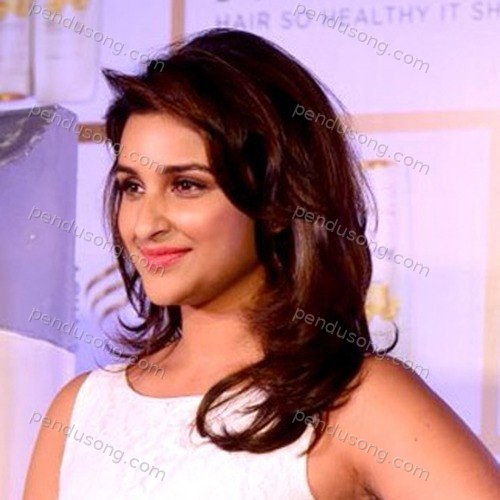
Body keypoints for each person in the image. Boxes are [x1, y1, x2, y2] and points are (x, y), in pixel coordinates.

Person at [24, 28, 500, 499]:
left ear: (276, 200)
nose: (145, 225)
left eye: (186, 185)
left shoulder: (353, 402)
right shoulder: (79, 412)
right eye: (132, 187)